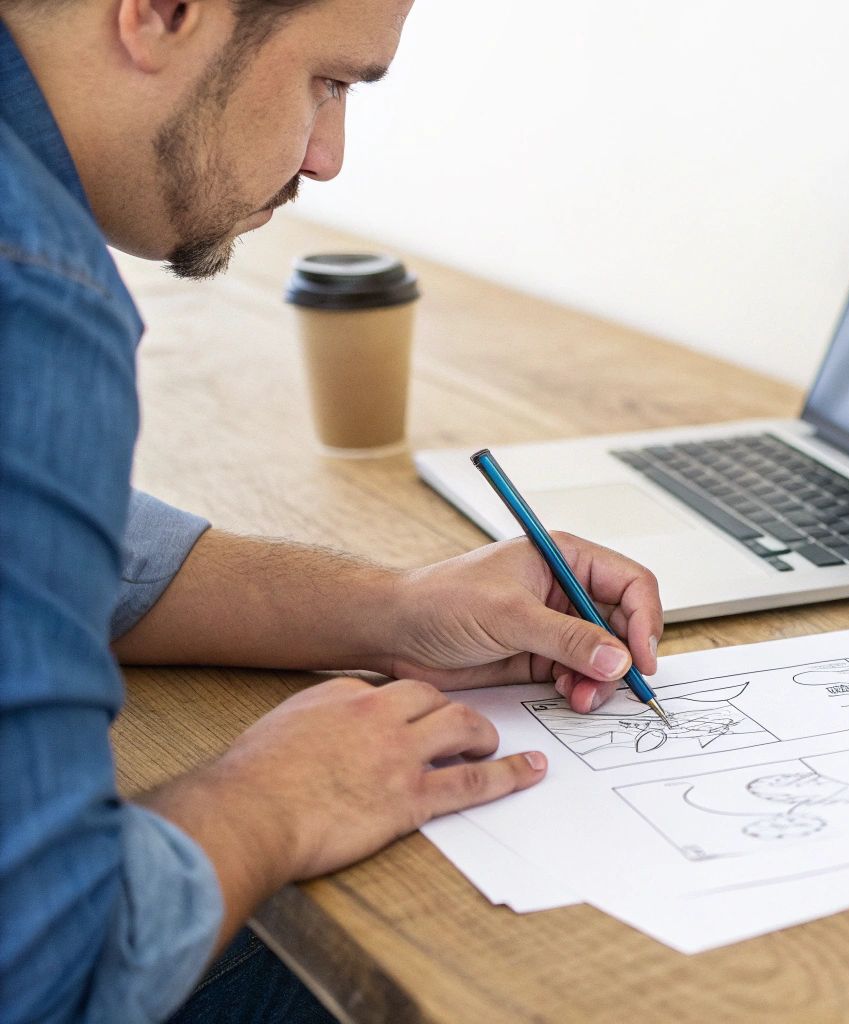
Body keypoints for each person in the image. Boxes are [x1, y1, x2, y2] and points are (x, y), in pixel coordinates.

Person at [0, 1, 664, 1020]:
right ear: (161, 13)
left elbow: (70, 545)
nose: (327, 157)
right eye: (330, 81)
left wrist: (393, 611)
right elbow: (49, 966)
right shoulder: (30, 293)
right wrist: (269, 796)